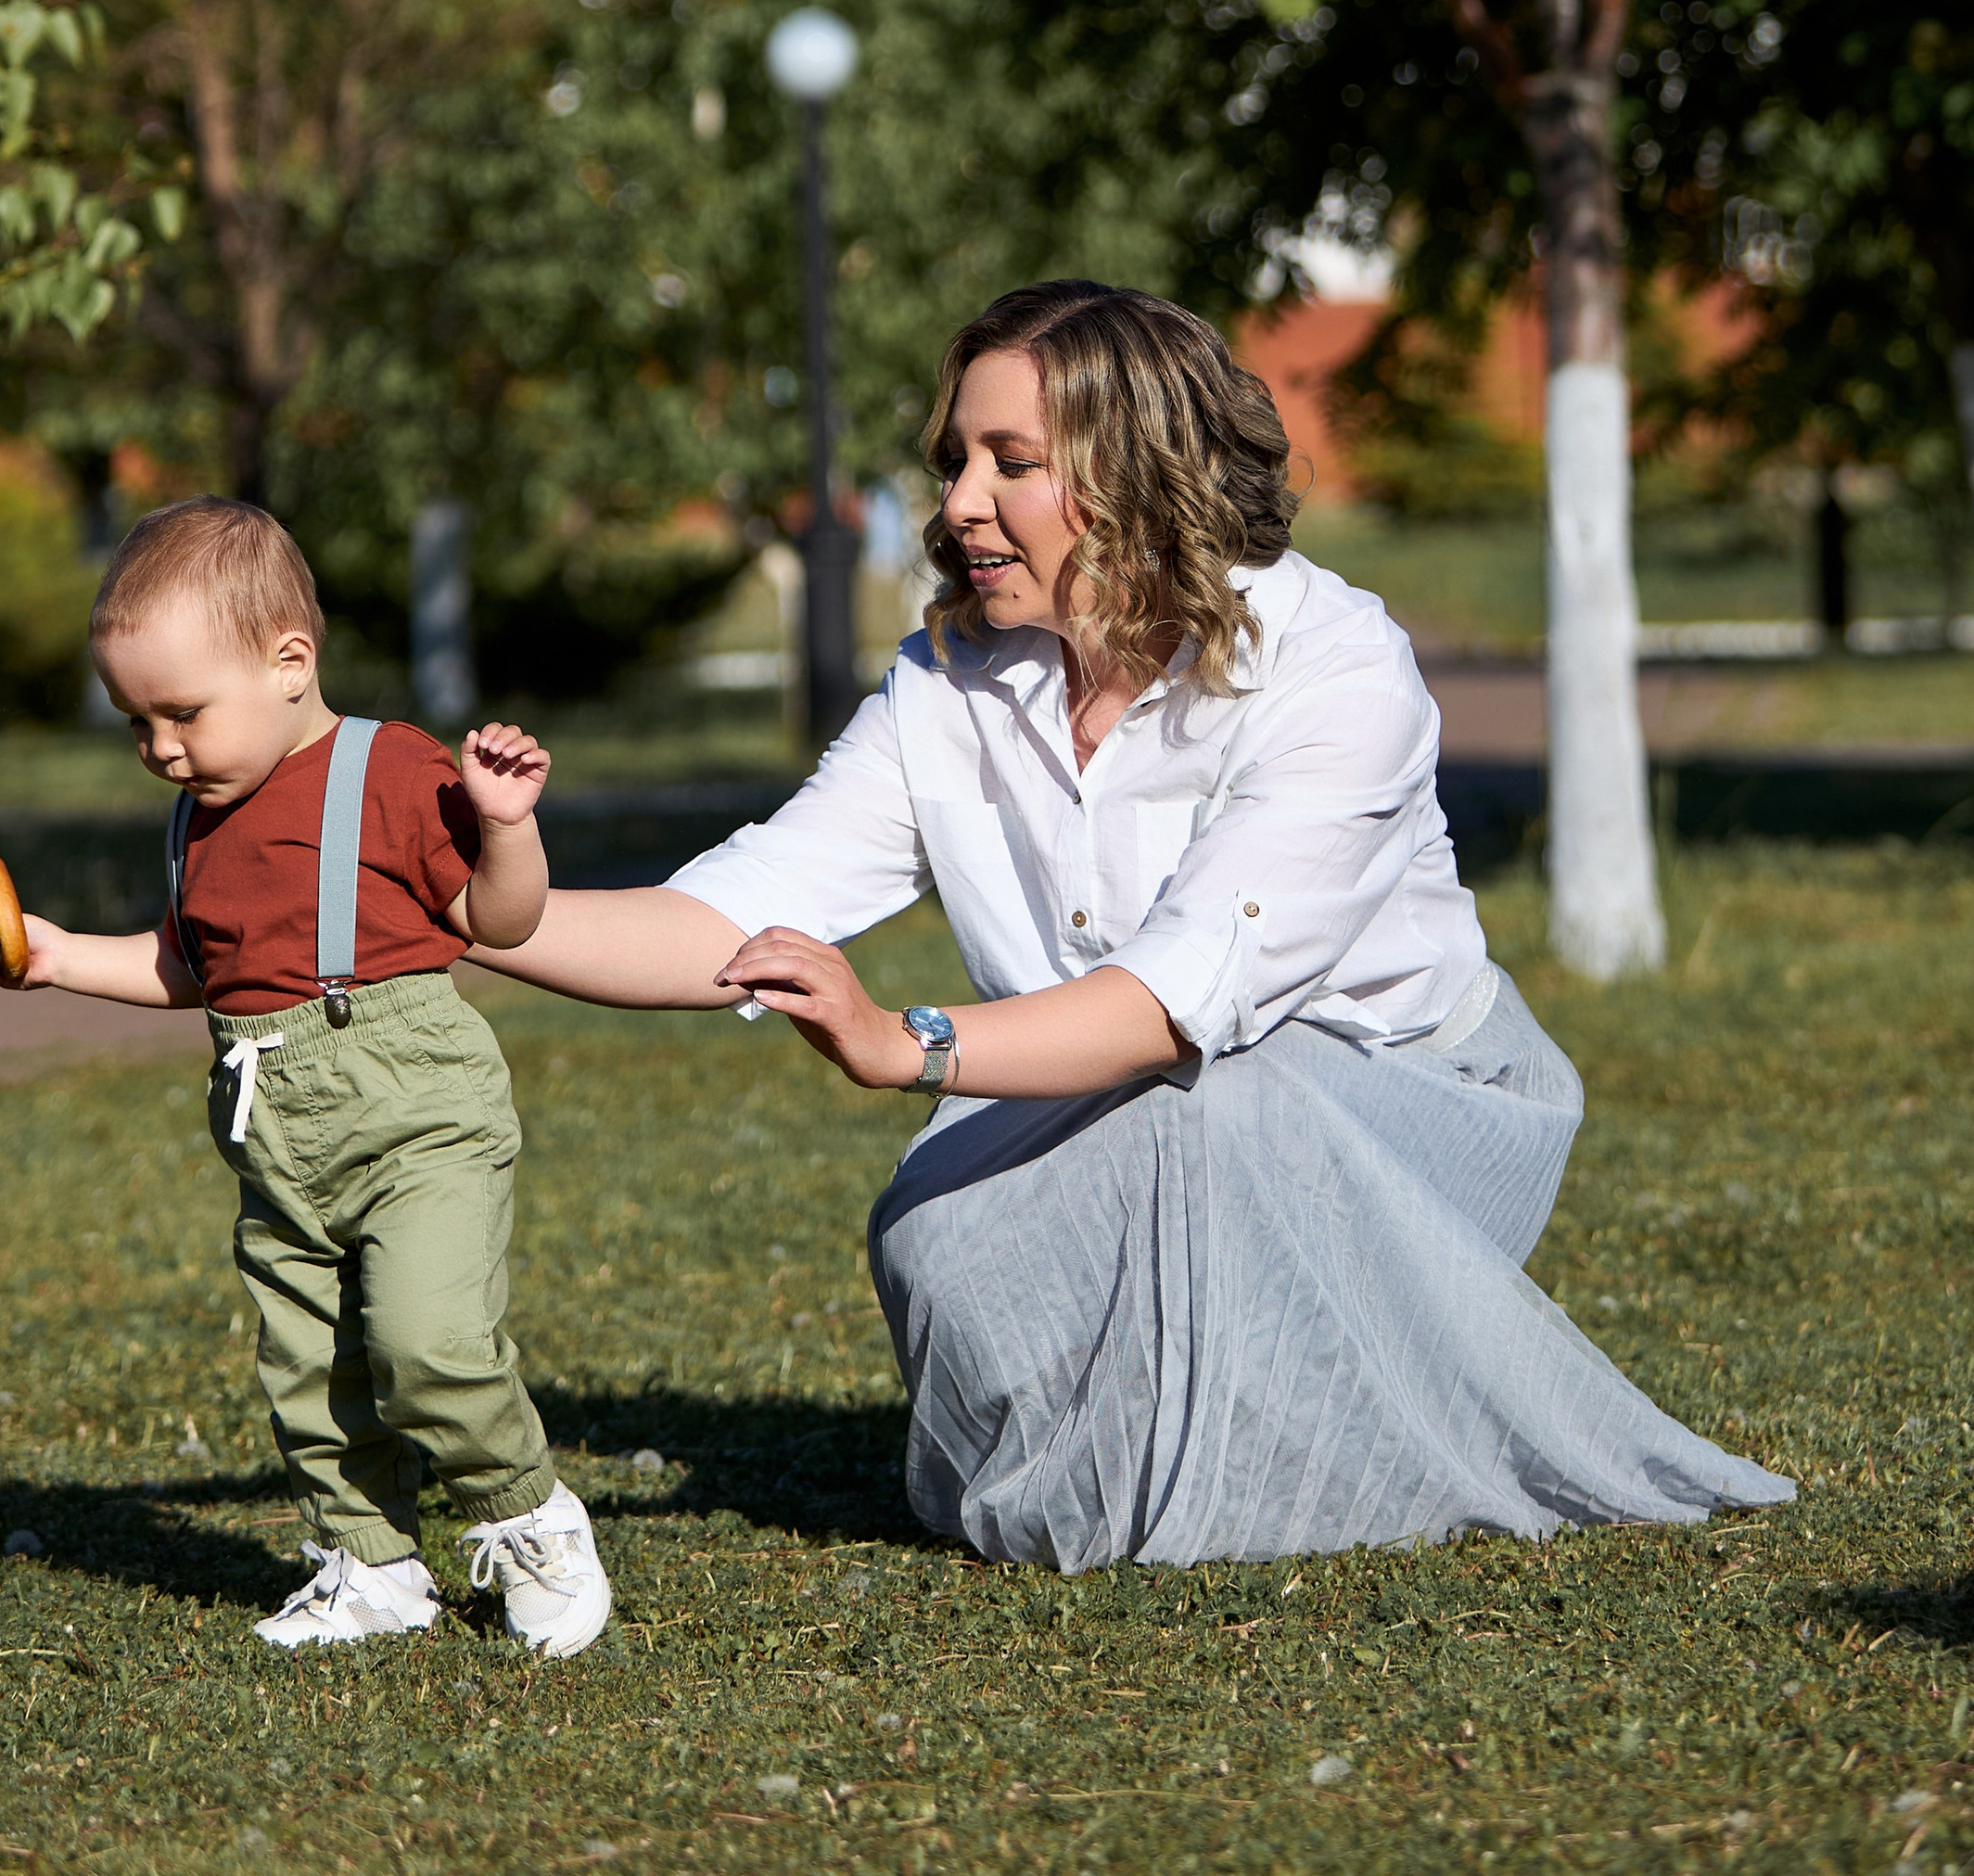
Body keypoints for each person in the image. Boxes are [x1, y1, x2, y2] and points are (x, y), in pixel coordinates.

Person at [471, 279, 1793, 1571]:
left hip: (1410, 1097)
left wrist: (908, 1044)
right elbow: (733, 910)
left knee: (1200, 1108)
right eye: (955, 461)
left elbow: (1176, 1004)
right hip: (1110, 1080)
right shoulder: (950, 679)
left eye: (1011, 464)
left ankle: (1282, 1471)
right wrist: (461, 913)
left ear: (1138, 469)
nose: (957, 504)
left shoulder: (1331, 663)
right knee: (934, 1227)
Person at [0, 494, 611, 1655]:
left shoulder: (393, 769)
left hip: (416, 1112)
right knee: (311, 1370)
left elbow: (499, 922)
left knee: (430, 1345)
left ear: (287, 664)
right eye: (136, 722)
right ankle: (371, 1567)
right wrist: (62, 957)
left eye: (181, 712)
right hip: (275, 1131)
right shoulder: (197, 818)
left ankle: (530, 1519)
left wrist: (508, 826)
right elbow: (190, 966)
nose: (161, 746)